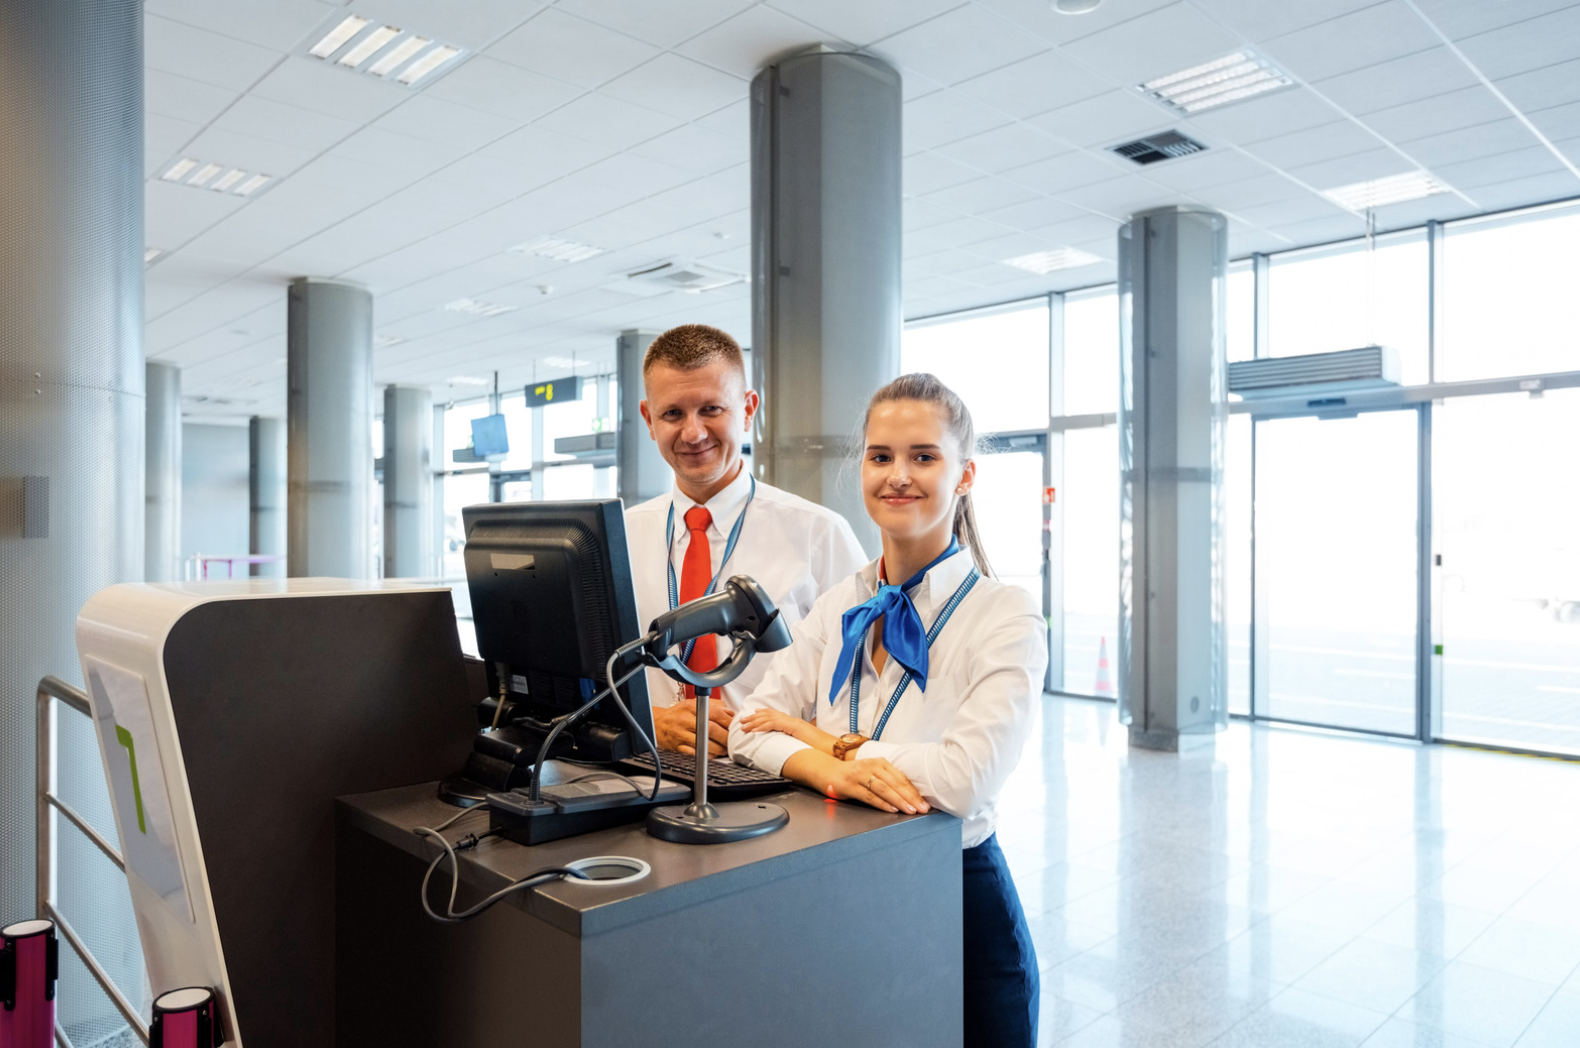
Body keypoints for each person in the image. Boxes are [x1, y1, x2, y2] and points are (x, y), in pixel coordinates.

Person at [728, 372, 1045, 1048]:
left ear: (964, 475)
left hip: (957, 900)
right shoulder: (843, 600)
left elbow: (964, 778)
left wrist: (817, 739)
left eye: (923, 456)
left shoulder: (1005, 612)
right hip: (834, 888)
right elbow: (747, 727)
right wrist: (831, 771)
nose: (898, 475)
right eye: (880, 456)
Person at [625, 323, 866, 756]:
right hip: (648, 773)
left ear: (748, 408)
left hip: (780, 779)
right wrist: (649, 719)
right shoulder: (618, 538)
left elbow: (863, 688)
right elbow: (587, 679)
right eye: (672, 414)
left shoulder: (819, 534)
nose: (693, 433)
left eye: (712, 409)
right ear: (648, 419)